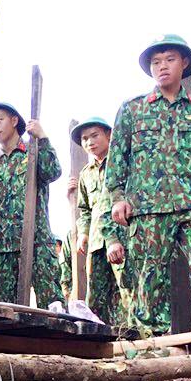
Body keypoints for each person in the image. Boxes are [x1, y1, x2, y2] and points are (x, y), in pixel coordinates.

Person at [108, 34, 191, 334]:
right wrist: (117, 197)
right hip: (147, 206)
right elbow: (117, 159)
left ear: (184, 63)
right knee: (150, 277)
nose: (162, 67)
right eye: (155, 62)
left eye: (169, 59)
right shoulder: (132, 109)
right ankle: (154, 345)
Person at [0, 103, 62, 305]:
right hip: (2, 248)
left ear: (14, 121)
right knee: (5, 309)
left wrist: (43, 137)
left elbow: (53, 171)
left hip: (36, 241)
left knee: (51, 303)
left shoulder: (33, 154)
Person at [72, 117, 130, 325]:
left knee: (127, 289)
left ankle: (136, 337)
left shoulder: (123, 162)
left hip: (122, 237)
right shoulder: (85, 174)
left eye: (94, 135)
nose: (89, 142)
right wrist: (84, 233)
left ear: (109, 135)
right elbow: (84, 209)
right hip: (97, 242)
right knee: (95, 297)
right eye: (85, 139)